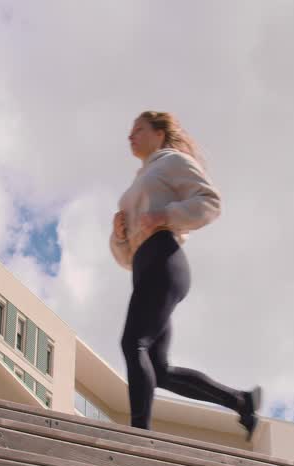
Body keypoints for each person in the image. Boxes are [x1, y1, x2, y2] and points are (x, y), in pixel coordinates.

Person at [110, 111, 261, 439]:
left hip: (164, 260)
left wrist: (165, 215)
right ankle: (241, 401)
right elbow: (126, 259)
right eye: (130, 131)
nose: (130, 136)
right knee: (158, 369)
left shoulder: (172, 161)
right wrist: (120, 236)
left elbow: (210, 202)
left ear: (159, 134)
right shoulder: (140, 180)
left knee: (133, 343)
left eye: (139, 129)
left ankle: (140, 438)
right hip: (144, 267)